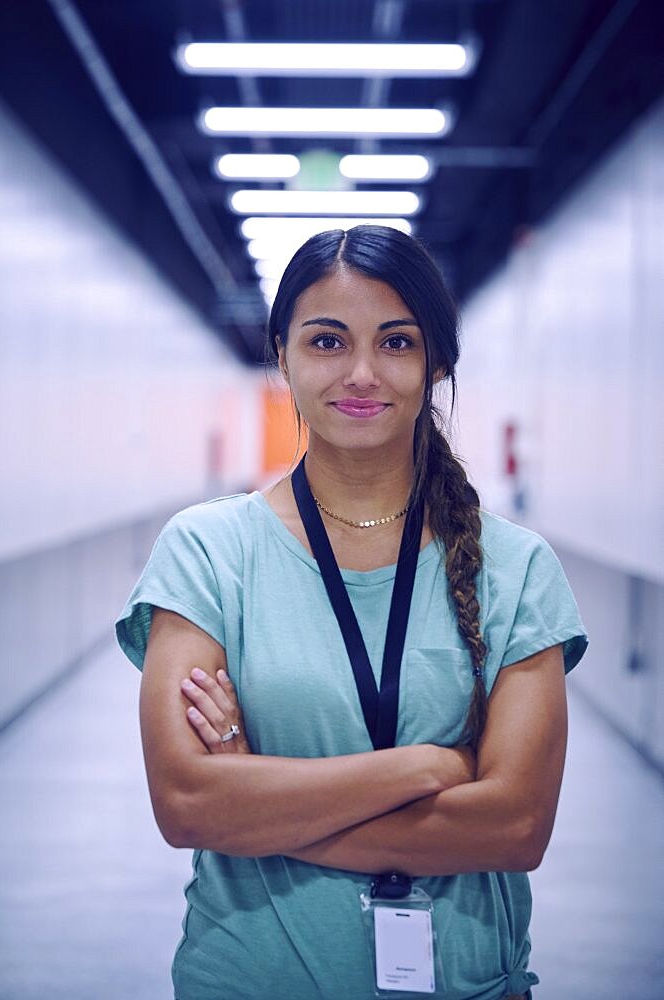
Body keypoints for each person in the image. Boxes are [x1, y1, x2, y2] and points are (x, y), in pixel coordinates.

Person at [115, 224, 588, 1000]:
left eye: (396, 343)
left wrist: (259, 805)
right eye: (327, 341)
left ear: (436, 360)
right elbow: (190, 805)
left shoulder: (516, 569)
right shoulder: (207, 553)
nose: (361, 373)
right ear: (283, 355)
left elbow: (513, 828)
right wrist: (424, 768)